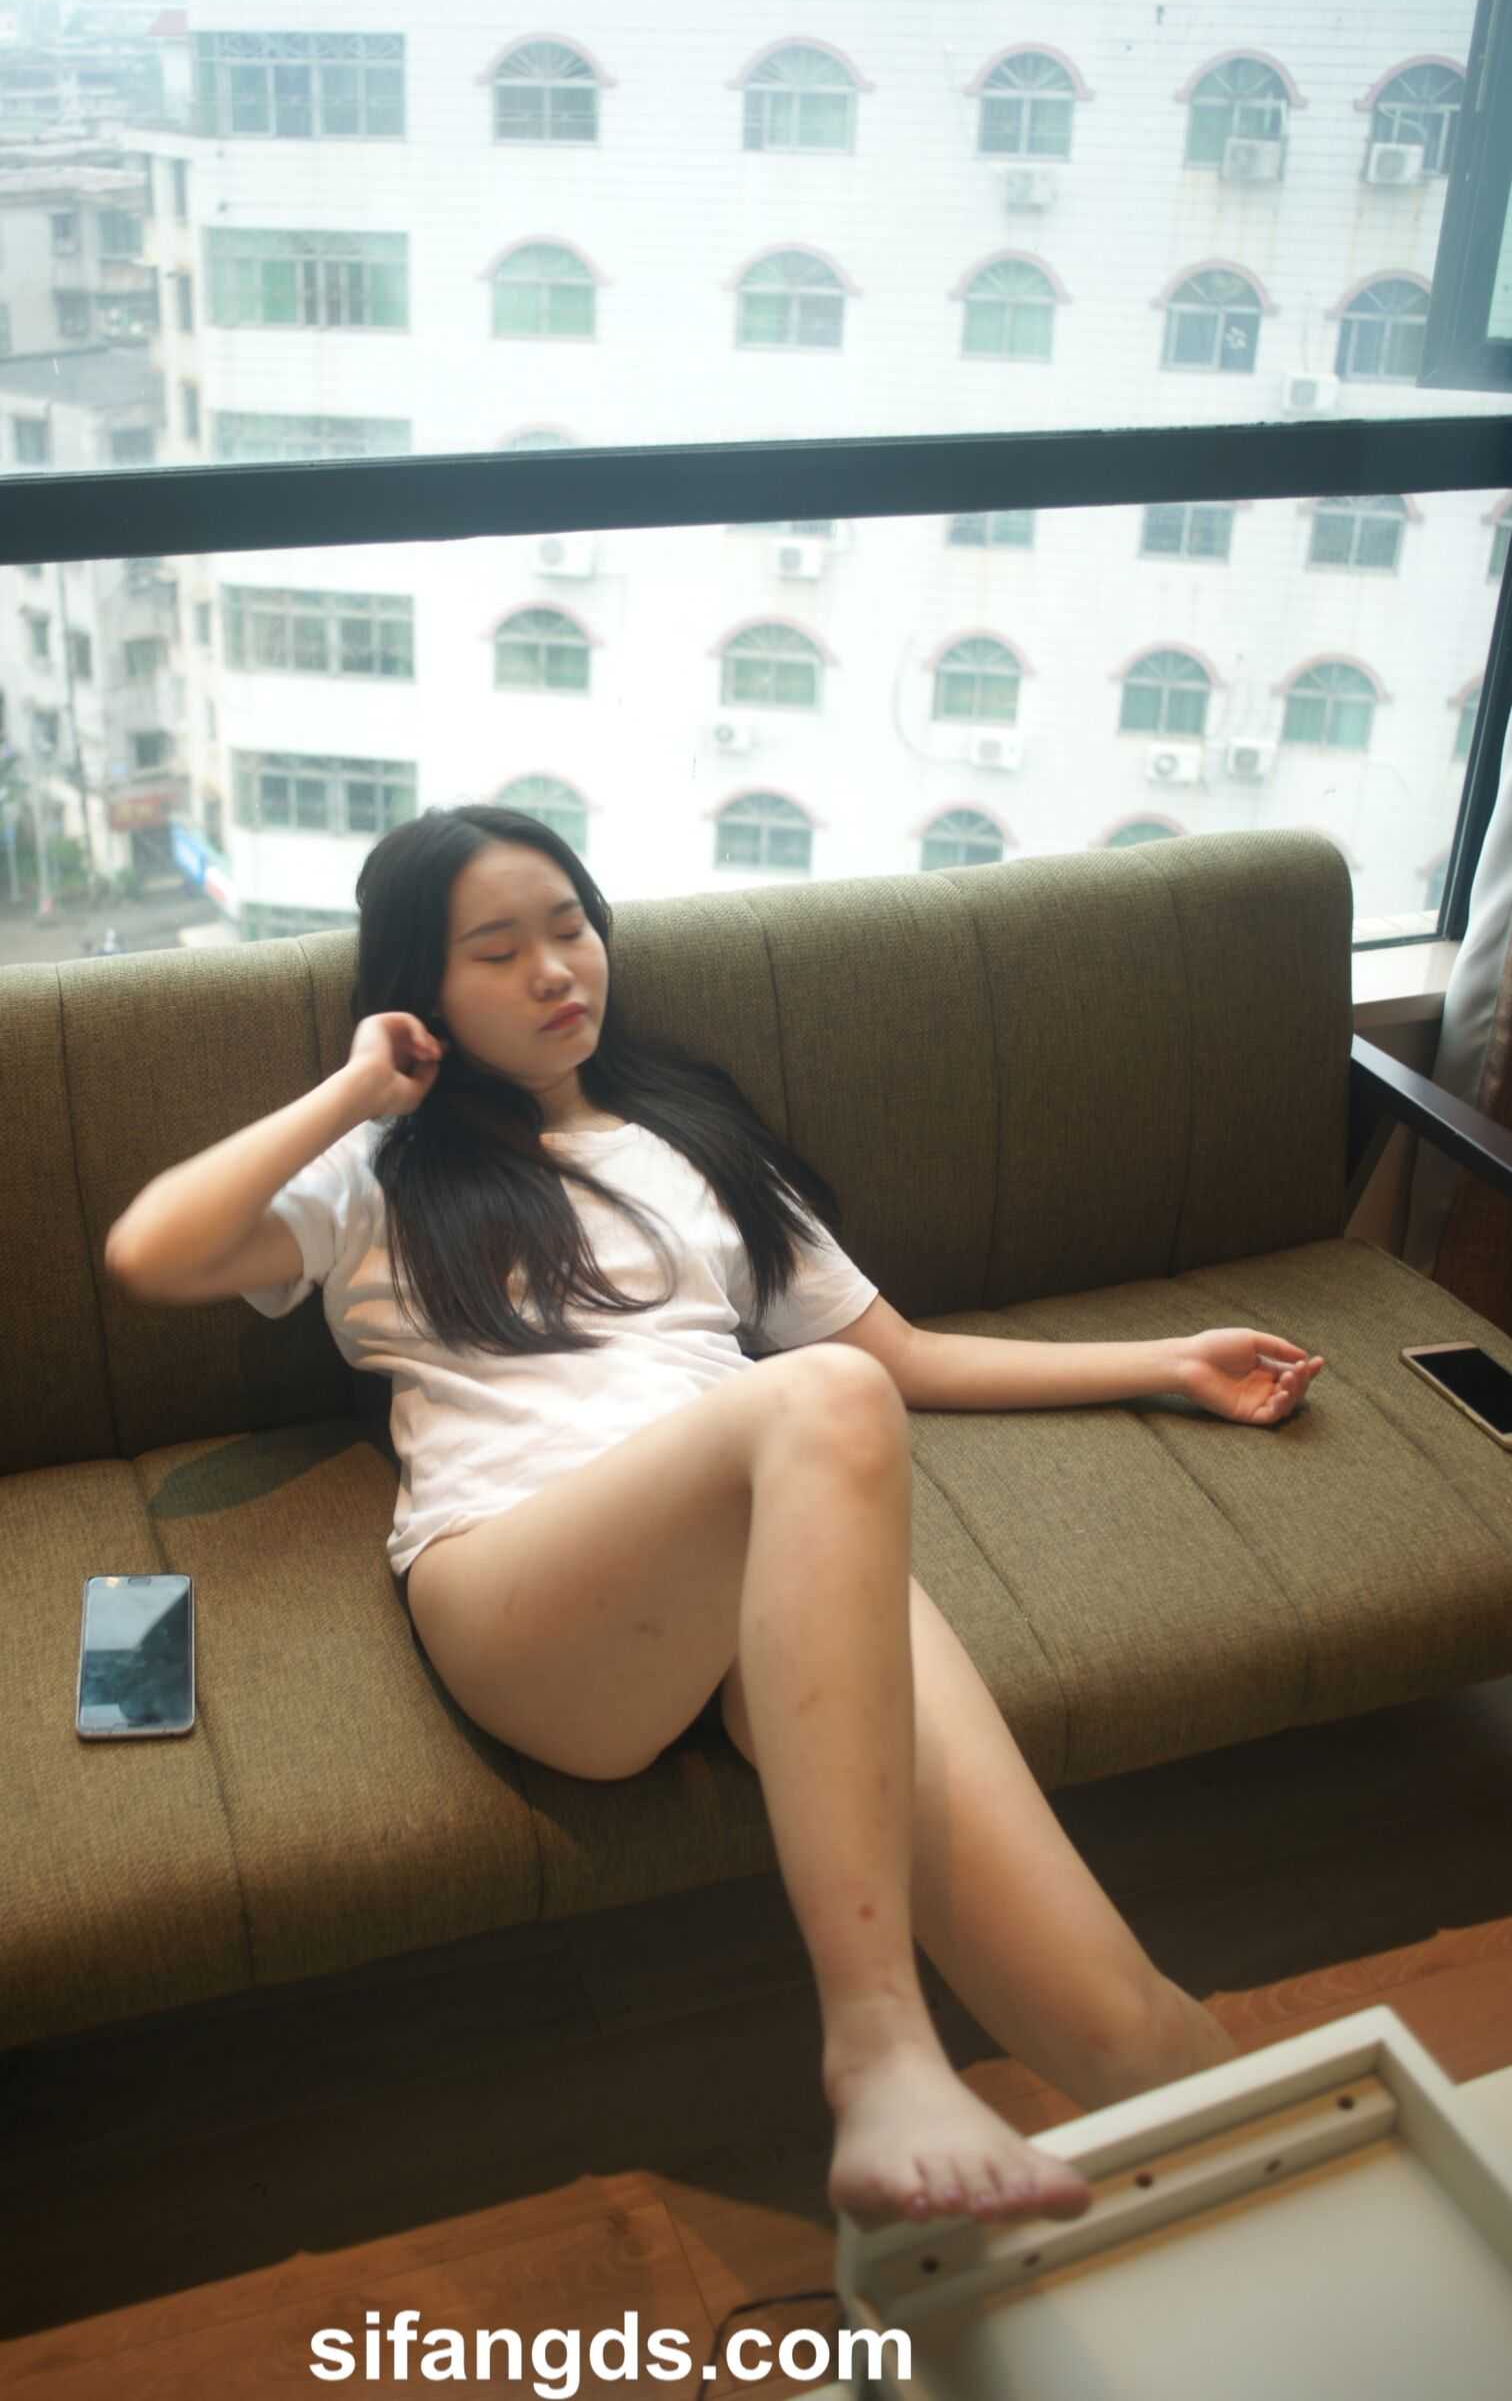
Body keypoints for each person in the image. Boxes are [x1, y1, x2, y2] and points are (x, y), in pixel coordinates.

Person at [106, 803, 1324, 2234]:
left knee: (1126, 2011)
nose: (555, 969)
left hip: (766, 1571)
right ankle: (881, 2049)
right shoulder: (377, 1171)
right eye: (496, 952)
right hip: (525, 1591)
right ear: (419, 989)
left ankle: (1318, 2239)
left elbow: (903, 1357)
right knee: (814, 1402)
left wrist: (1170, 1363)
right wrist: (358, 1091)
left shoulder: (691, 1140)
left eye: (571, 927)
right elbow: (152, 1251)